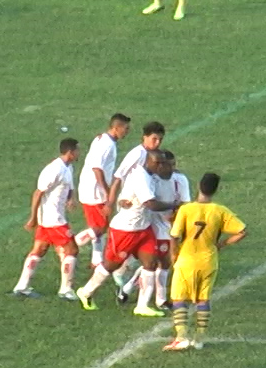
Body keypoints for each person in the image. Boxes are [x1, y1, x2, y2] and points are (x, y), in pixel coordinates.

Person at [76, 150, 179, 317]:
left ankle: (142, 305)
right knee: (111, 265)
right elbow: (151, 204)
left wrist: (122, 200)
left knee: (151, 263)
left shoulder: (150, 174)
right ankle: (86, 292)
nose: (160, 166)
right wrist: (173, 205)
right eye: (158, 163)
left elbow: (125, 193)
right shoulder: (142, 177)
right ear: (148, 162)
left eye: (162, 163)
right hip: (126, 229)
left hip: (144, 228)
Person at [163, 173, 247, 351]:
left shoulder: (186, 210)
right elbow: (242, 231)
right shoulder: (220, 210)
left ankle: (182, 336)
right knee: (203, 298)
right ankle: (199, 338)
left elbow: (174, 236)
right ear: (215, 190)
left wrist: (173, 255)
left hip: (187, 259)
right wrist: (222, 244)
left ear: (199, 186)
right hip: (209, 260)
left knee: (178, 297)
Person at [118, 150, 191, 310]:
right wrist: (124, 201)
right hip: (151, 224)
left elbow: (186, 203)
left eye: (173, 165)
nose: (171, 168)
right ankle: (160, 300)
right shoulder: (151, 178)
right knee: (158, 261)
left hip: (170, 226)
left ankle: (128, 288)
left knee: (161, 262)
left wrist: (178, 216)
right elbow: (133, 195)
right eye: (167, 165)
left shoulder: (180, 180)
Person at [12, 138, 80, 300]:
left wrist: (70, 198)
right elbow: (38, 193)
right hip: (53, 219)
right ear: (70, 153)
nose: (79, 153)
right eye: (78, 150)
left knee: (39, 250)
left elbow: (68, 186)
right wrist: (33, 218)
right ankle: (65, 290)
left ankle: (21, 286)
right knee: (72, 250)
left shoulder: (68, 167)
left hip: (52, 218)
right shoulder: (54, 169)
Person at [107, 121, 167, 287]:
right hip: (132, 205)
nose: (157, 143)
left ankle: (127, 272)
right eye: (154, 139)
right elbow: (119, 176)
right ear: (144, 137)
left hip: (144, 205)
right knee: (136, 242)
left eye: (160, 139)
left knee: (147, 241)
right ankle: (117, 271)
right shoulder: (137, 154)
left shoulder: (155, 158)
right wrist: (113, 201)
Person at [75, 113, 131, 267]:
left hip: (89, 188)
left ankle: (96, 260)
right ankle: (71, 244)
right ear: (116, 127)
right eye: (125, 128)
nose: (127, 132)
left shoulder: (103, 139)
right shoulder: (107, 144)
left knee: (98, 226)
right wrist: (108, 193)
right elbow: (97, 169)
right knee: (100, 227)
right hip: (94, 191)